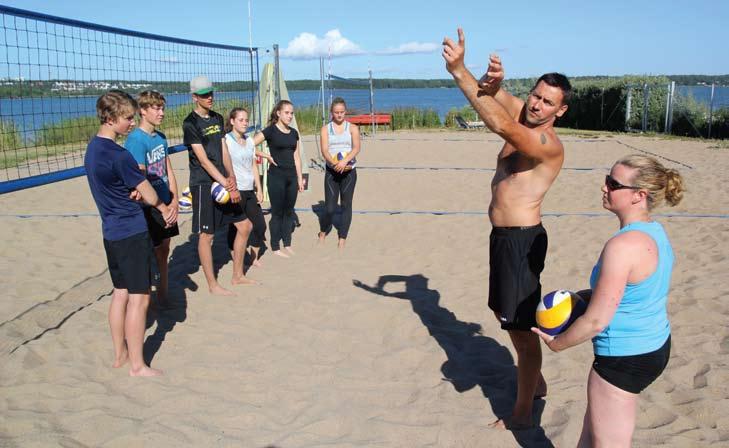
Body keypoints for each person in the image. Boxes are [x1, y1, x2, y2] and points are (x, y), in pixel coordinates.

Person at [443, 28, 572, 429]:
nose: (536, 104)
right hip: (502, 239)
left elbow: (500, 126)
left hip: (520, 242)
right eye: (535, 95)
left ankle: (523, 411)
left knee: (521, 331)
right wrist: (492, 82)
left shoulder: (547, 143)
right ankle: (538, 385)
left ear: (560, 111)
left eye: (547, 101)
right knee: (503, 314)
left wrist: (458, 71)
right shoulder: (524, 111)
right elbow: (498, 100)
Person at [533, 155, 684, 447]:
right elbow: (635, 292)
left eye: (613, 184)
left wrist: (558, 343)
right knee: (593, 433)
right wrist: (582, 297)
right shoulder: (654, 231)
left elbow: (596, 321)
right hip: (654, 343)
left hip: (624, 357)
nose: (604, 188)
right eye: (606, 179)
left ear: (639, 195)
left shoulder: (623, 246)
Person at [84, 90, 175, 377]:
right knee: (139, 298)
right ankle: (137, 365)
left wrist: (132, 185)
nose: (132, 123)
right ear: (110, 119)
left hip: (110, 231)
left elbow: (120, 181)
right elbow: (148, 192)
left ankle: (120, 354)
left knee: (119, 293)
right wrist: (162, 206)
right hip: (131, 231)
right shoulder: (119, 154)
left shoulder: (93, 150)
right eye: (127, 118)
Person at [182, 75, 247, 296]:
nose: (209, 97)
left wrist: (232, 179)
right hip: (203, 183)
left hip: (223, 180)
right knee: (206, 236)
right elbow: (203, 160)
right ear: (194, 97)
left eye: (210, 93)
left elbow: (224, 150)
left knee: (244, 226)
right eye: (204, 95)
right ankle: (212, 285)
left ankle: (237, 276)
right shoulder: (190, 123)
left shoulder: (217, 118)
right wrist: (225, 183)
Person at [124, 90, 179, 307]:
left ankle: (163, 294)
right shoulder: (136, 140)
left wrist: (173, 198)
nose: (161, 112)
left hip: (166, 202)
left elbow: (168, 168)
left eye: (162, 108)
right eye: (156, 108)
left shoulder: (161, 138)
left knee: (164, 249)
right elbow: (140, 179)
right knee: (150, 254)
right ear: (143, 111)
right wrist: (161, 205)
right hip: (149, 205)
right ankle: (150, 298)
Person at [222, 107, 271, 282]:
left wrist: (259, 188)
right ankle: (237, 259)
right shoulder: (226, 140)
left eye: (246, 120)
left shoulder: (249, 141)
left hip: (249, 189)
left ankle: (253, 257)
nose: (245, 123)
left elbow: (253, 165)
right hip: (235, 189)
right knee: (235, 228)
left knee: (260, 226)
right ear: (233, 121)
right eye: (241, 120)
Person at [257, 100, 304, 258]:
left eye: (292, 113)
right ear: (278, 113)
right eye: (287, 113)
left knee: (289, 212)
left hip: (291, 177)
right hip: (276, 176)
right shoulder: (270, 131)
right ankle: (275, 246)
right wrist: (266, 156)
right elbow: (249, 144)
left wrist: (299, 179)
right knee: (277, 213)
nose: (290, 116)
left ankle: (287, 243)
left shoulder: (293, 133)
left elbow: (296, 157)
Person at [317, 97, 361, 249]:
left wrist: (345, 161)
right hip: (332, 171)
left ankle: (342, 237)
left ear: (345, 112)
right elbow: (324, 150)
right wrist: (335, 163)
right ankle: (323, 231)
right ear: (331, 113)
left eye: (342, 112)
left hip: (348, 171)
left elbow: (356, 148)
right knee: (330, 208)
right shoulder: (325, 129)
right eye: (336, 112)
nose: (339, 115)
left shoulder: (353, 128)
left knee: (346, 205)